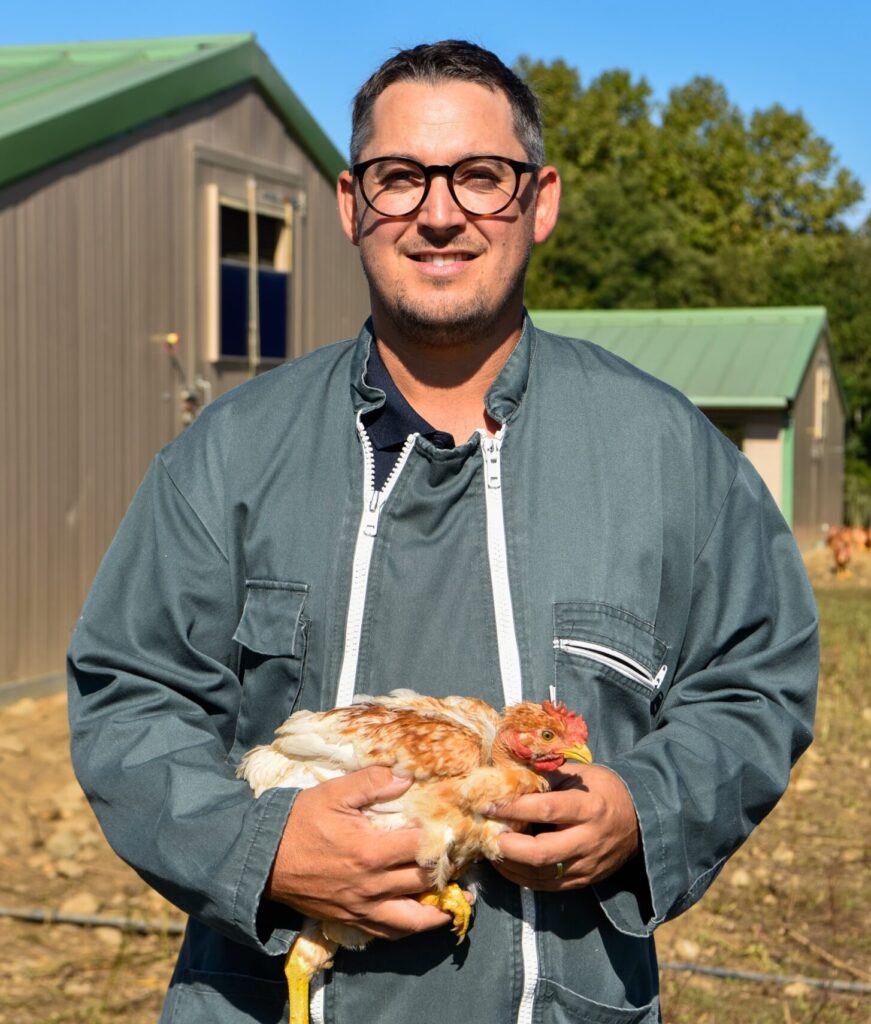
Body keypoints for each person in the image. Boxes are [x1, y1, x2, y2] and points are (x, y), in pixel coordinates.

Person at [67, 40, 819, 1024]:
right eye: (399, 178)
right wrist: (261, 850)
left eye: (479, 176)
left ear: (538, 200)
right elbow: (130, 693)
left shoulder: (664, 450)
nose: (437, 211)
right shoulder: (229, 455)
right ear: (349, 204)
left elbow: (758, 674)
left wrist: (647, 808)